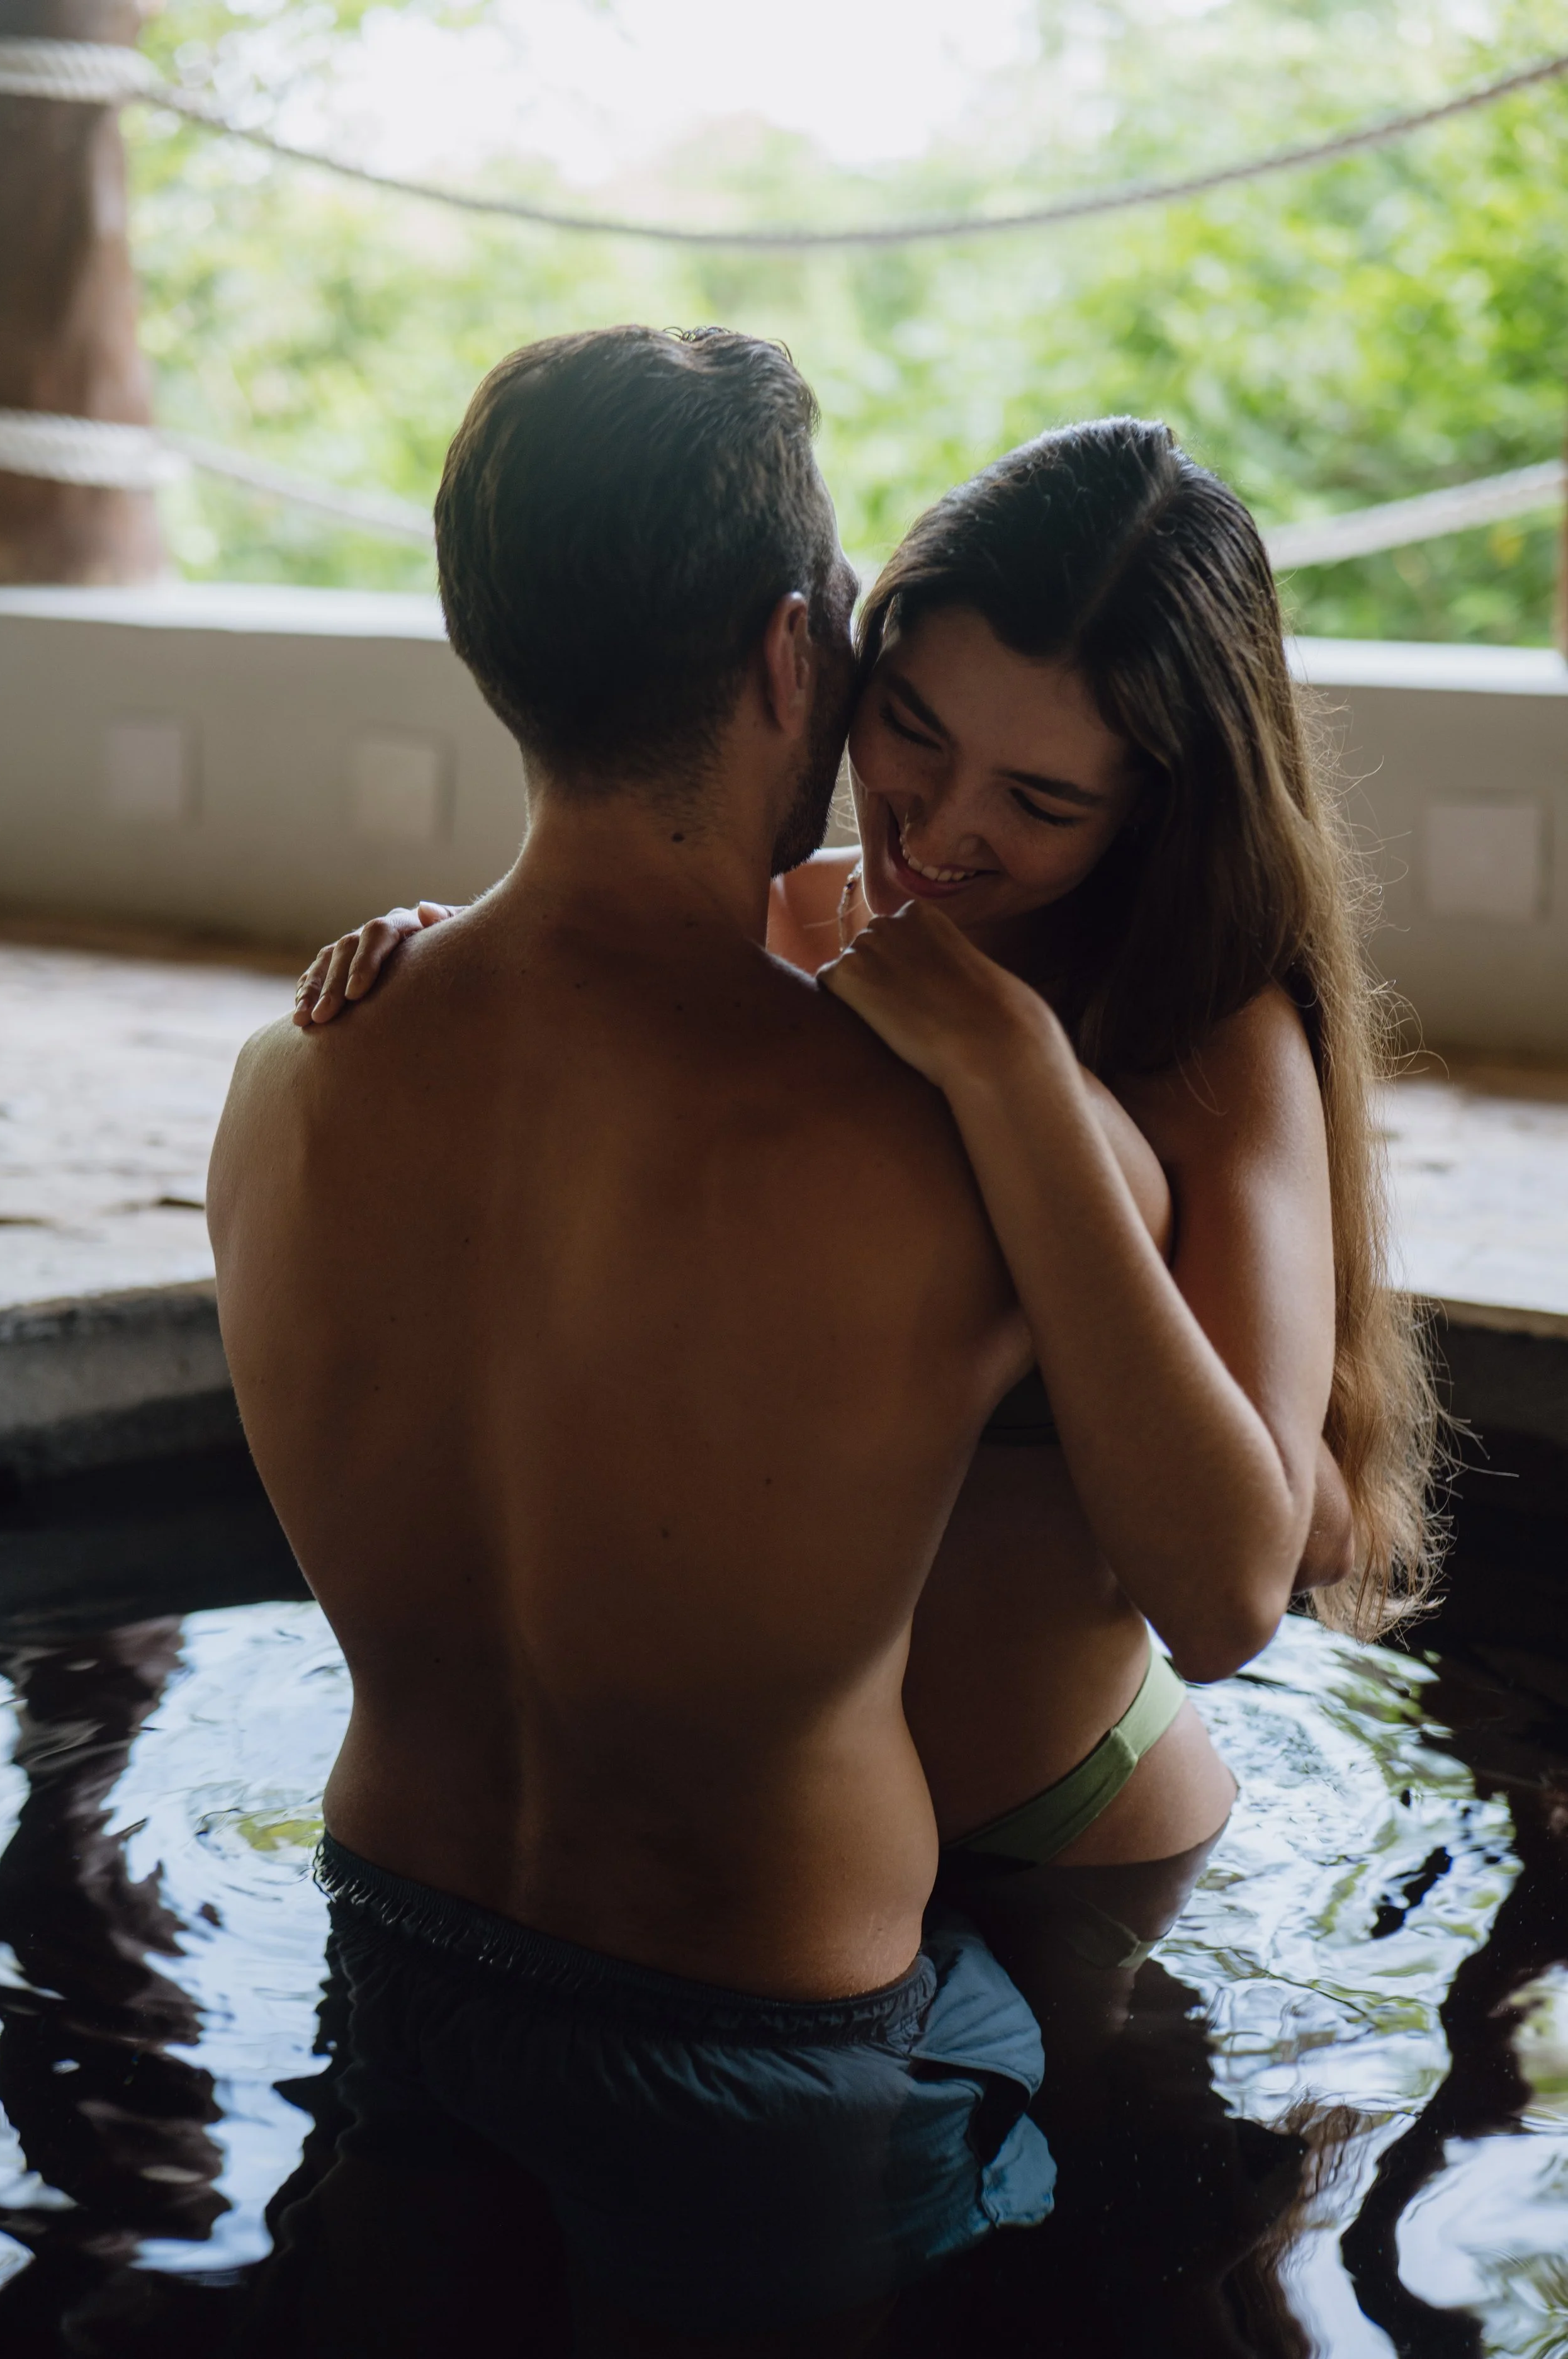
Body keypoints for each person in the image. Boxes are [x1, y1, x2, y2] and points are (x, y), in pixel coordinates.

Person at [211, 325, 1108, 2346]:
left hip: (399, 1949)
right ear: (797, 656)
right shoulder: (936, 1141)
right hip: (766, 2036)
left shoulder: (290, 1075)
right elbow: (1221, 1517)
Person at [299, 415, 1441, 1977]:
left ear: (1157, 806)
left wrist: (1017, 1071)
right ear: (836, 665)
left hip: (1059, 1842)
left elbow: (1246, 1581)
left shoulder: (1207, 1038)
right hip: (753, 1880)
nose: (937, 827)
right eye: (908, 726)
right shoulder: (794, 925)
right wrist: (459, 962)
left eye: (1041, 802)